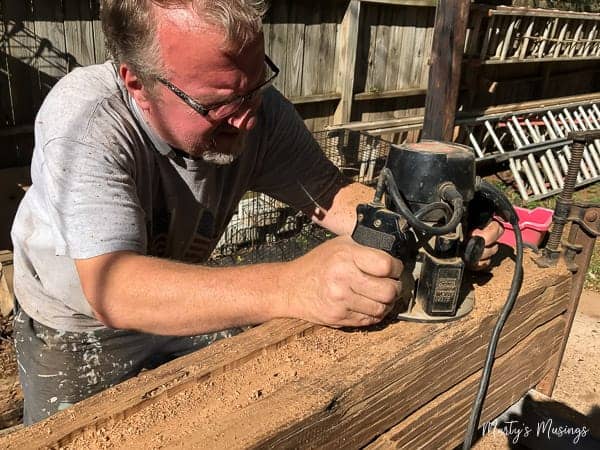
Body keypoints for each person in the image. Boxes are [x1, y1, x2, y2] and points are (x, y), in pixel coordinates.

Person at [10, 0, 502, 425]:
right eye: (221, 102)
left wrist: (433, 230)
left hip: (176, 290)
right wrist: (294, 287)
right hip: (75, 324)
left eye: (256, 85)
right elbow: (112, 289)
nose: (248, 117)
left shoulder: (257, 113)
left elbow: (330, 195)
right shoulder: (86, 120)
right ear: (137, 83)